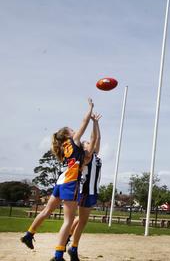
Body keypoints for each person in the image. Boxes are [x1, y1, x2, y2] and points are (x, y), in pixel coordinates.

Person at [20, 98, 96, 261]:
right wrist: (90, 108)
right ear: (68, 134)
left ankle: (29, 234)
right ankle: (58, 255)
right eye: (72, 129)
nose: (75, 130)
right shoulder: (74, 141)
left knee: (47, 211)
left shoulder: (65, 146)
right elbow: (84, 121)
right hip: (70, 183)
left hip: (61, 182)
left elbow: (90, 145)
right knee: (68, 221)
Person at [66, 112, 102, 261]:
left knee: (81, 220)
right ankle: (73, 248)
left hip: (92, 191)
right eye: (86, 143)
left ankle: (68, 237)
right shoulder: (85, 158)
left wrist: (96, 123)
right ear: (84, 147)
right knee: (82, 221)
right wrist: (92, 122)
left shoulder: (95, 155)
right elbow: (94, 139)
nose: (90, 143)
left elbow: (97, 138)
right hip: (85, 191)